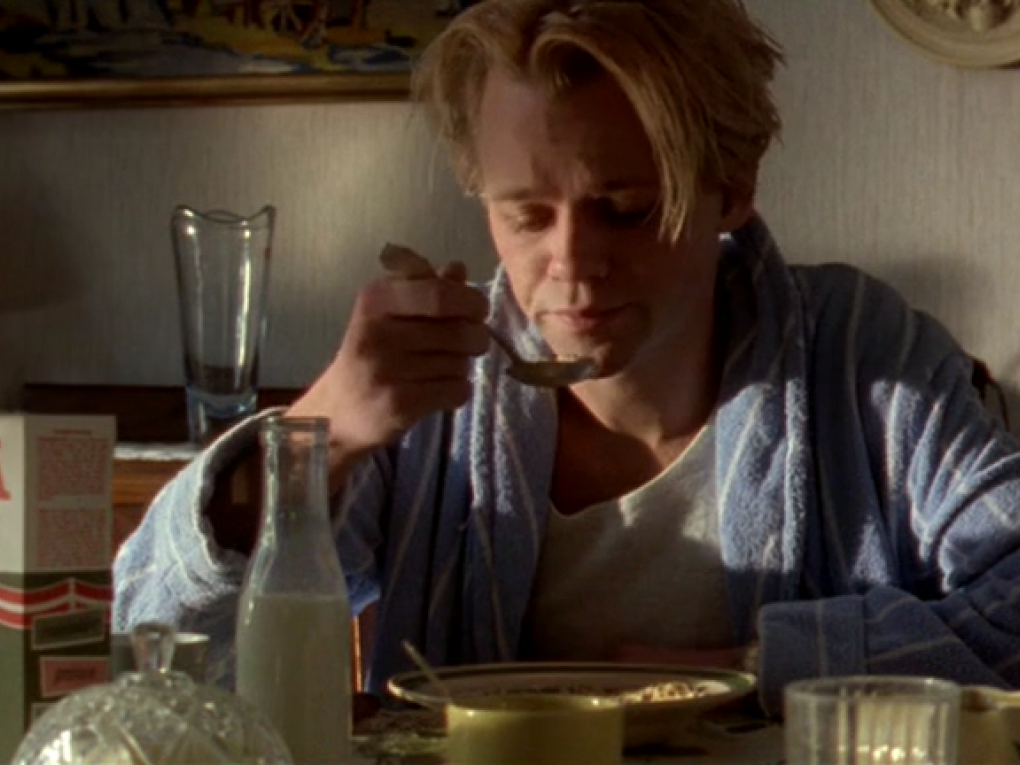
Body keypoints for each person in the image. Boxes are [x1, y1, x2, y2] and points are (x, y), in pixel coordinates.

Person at [113, 0, 1020, 715]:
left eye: (626, 209)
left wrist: (757, 665)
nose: (573, 265)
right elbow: (154, 646)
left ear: (731, 187)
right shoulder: (433, 402)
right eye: (526, 215)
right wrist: (327, 429)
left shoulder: (862, 356)